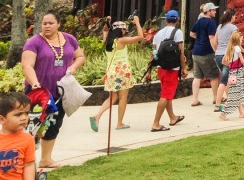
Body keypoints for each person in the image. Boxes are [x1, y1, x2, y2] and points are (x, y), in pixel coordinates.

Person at [21, 10, 86, 168]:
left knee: (54, 124)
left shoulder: (69, 39)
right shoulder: (34, 42)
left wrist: (73, 67)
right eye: (44, 23)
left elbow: (80, 56)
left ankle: (46, 159)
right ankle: (24, 161)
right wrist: (35, 82)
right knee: (33, 126)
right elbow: (27, 65)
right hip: (38, 93)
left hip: (60, 92)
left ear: (58, 24)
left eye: (51, 23)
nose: (47, 26)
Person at [89, 15, 144, 131]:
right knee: (123, 98)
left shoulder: (108, 41)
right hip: (122, 72)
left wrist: (107, 22)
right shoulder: (121, 40)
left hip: (111, 72)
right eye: (124, 29)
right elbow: (140, 37)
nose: (125, 32)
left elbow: (105, 30)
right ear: (121, 30)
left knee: (112, 97)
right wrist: (137, 22)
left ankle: (97, 116)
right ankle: (119, 123)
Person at [146, 9, 187, 131]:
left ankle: (172, 117)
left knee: (167, 93)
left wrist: (148, 71)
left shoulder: (158, 34)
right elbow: (181, 52)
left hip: (161, 68)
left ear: (166, 20)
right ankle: (156, 123)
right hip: (172, 69)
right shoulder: (178, 32)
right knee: (165, 95)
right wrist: (184, 68)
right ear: (177, 20)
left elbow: (153, 54)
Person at [189, 2, 219, 107]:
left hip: (196, 51)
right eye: (213, 10)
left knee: (197, 76)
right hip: (207, 52)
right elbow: (211, 38)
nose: (215, 12)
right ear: (209, 11)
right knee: (214, 76)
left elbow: (191, 34)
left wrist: (200, 38)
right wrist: (216, 50)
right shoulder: (211, 22)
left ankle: (195, 99)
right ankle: (216, 98)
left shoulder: (198, 21)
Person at [0, 92, 35, 180]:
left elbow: (29, 165)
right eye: (18, 114)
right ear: (2, 119)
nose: (24, 118)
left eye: (26, 113)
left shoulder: (28, 139)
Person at [213, 8, 238, 112]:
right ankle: (217, 105)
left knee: (226, 79)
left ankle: (230, 100)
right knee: (224, 81)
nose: (235, 17)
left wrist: (218, 50)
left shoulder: (220, 26)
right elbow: (234, 43)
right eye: (235, 16)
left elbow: (215, 41)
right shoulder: (233, 28)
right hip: (227, 56)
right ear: (231, 16)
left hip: (218, 54)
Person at [219, 32, 244, 120]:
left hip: (232, 72)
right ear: (237, 39)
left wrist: (231, 65)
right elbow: (242, 60)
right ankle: (224, 113)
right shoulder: (237, 48)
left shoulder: (230, 49)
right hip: (238, 72)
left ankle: (241, 113)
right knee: (235, 94)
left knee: (237, 93)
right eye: (241, 39)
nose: (241, 40)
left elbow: (223, 61)